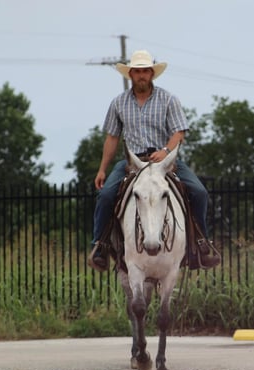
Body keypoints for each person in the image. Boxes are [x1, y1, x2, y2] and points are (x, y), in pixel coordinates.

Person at [88, 49, 221, 272]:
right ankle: (99, 247)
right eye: (137, 71)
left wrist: (165, 150)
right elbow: (112, 138)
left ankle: (200, 243)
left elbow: (179, 132)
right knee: (106, 195)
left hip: (165, 162)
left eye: (145, 71)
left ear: (152, 74)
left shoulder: (168, 99)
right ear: (130, 74)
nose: (141, 75)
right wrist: (102, 169)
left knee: (199, 192)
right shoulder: (118, 103)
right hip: (132, 162)